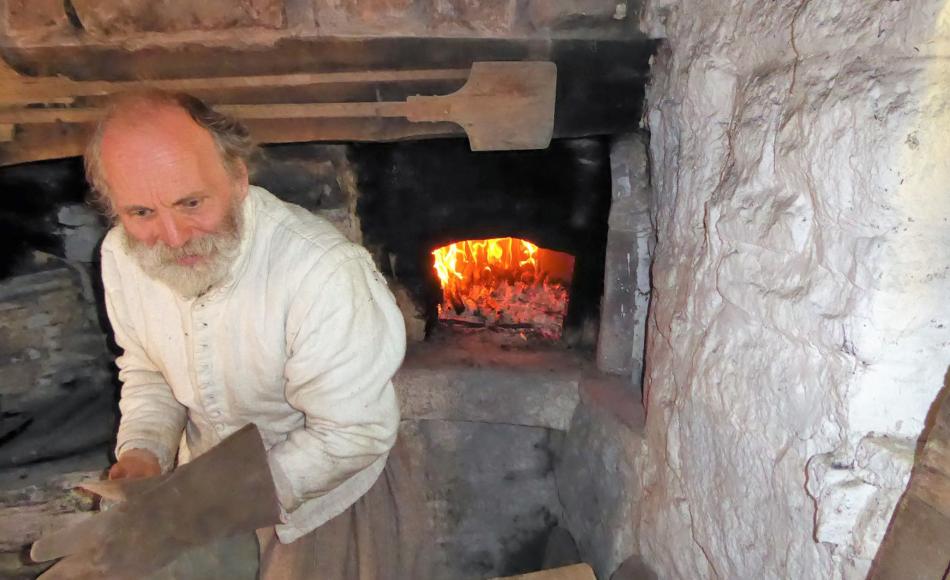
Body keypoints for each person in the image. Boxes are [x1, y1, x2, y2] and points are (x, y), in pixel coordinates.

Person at [85, 90, 427, 579]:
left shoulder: (324, 273)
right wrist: (143, 455)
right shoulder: (122, 255)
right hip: (196, 490)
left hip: (320, 504)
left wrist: (210, 498)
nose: (174, 237)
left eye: (191, 202)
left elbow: (351, 435)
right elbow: (146, 371)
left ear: (238, 179)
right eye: (141, 213)